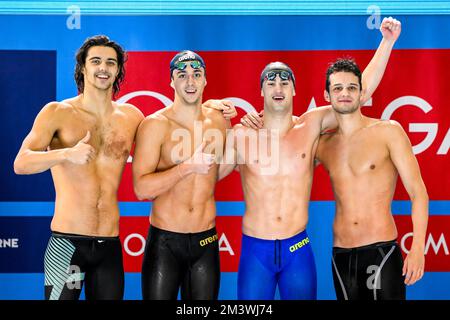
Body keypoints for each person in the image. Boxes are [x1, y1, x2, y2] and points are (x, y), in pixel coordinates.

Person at [222, 17, 402, 299]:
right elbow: (208, 172)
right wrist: (212, 115)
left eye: (285, 81)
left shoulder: (311, 125)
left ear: (294, 89)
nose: (278, 87)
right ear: (261, 91)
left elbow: (360, 92)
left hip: (297, 249)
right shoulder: (242, 135)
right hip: (255, 250)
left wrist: (387, 42)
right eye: (271, 81)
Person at [13, 35, 145, 300]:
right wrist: (66, 154)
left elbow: (167, 127)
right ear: (83, 68)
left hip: (109, 243)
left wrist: (208, 107)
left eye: (110, 62)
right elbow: (21, 162)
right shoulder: (57, 112)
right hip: (66, 242)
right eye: (95, 61)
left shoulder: (132, 117)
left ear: (118, 69)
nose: (103, 68)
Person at [315, 58, 428, 300]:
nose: (344, 93)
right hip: (341, 255)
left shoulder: (388, 132)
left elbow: (418, 193)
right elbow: (286, 139)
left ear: (362, 92)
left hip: (381, 250)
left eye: (351, 88)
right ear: (327, 95)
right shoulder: (323, 145)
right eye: (337, 88)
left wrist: (418, 246)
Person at [132, 50, 237, 300]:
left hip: (206, 241)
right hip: (165, 243)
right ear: (171, 81)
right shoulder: (155, 125)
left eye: (196, 75)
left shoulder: (218, 122)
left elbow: (213, 174)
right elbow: (141, 189)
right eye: (182, 75)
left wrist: (234, 141)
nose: (190, 82)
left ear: (205, 80)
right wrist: (187, 167)